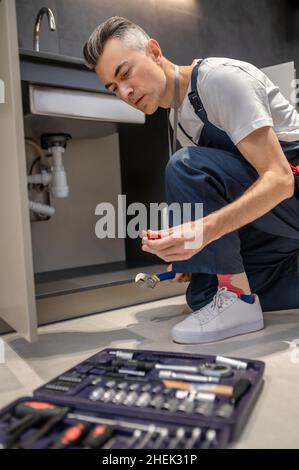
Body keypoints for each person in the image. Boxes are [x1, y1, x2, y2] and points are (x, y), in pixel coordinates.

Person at [83, 16, 299, 344]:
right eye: (114, 88)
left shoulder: (220, 80)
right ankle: (246, 293)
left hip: (291, 191)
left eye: (125, 73)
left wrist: (202, 233)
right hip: (281, 226)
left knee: (186, 165)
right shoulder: (180, 119)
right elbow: (228, 191)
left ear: (154, 51)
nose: (125, 92)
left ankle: (239, 302)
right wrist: (200, 255)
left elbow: (280, 179)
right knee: (202, 293)